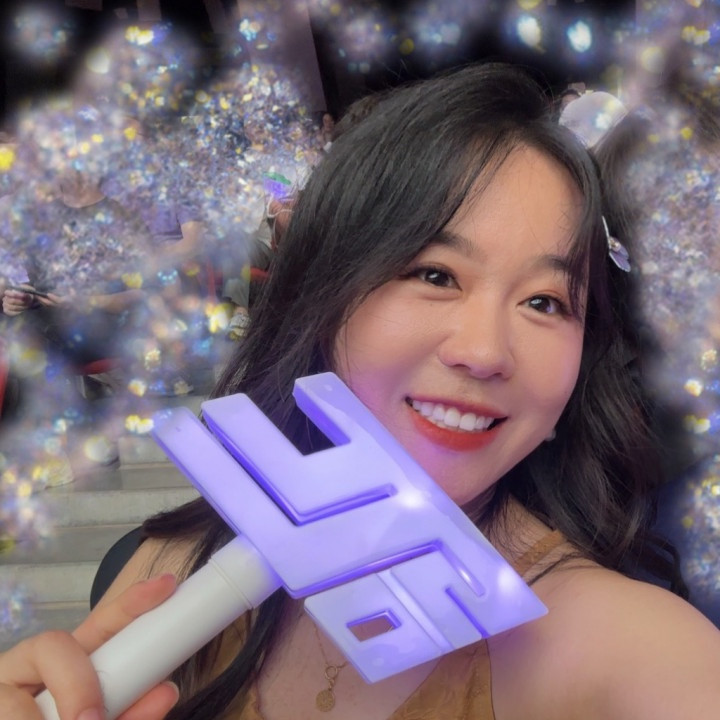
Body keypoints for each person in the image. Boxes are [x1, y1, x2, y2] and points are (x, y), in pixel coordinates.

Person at [3, 62, 720, 720]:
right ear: (322, 292)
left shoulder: (640, 654)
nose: (483, 353)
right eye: (435, 274)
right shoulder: (170, 570)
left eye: (545, 302)